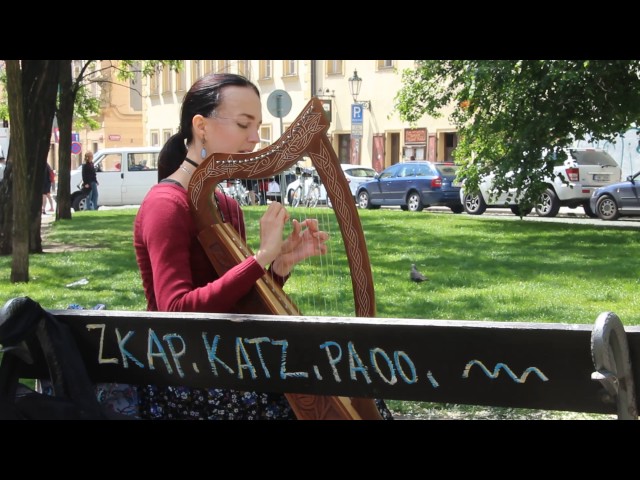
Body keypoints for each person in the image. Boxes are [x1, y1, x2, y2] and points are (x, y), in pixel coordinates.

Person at [133, 72, 393, 420]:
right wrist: (261, 257)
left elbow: (241, 301)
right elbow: (176, 312)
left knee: (359, 396)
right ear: (201, 126)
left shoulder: (226, 206)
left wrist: (279, 266)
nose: (255, 139)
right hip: (190, 381)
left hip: (236, 363)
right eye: (244, 125)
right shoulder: (166, 205)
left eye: (258, 126)